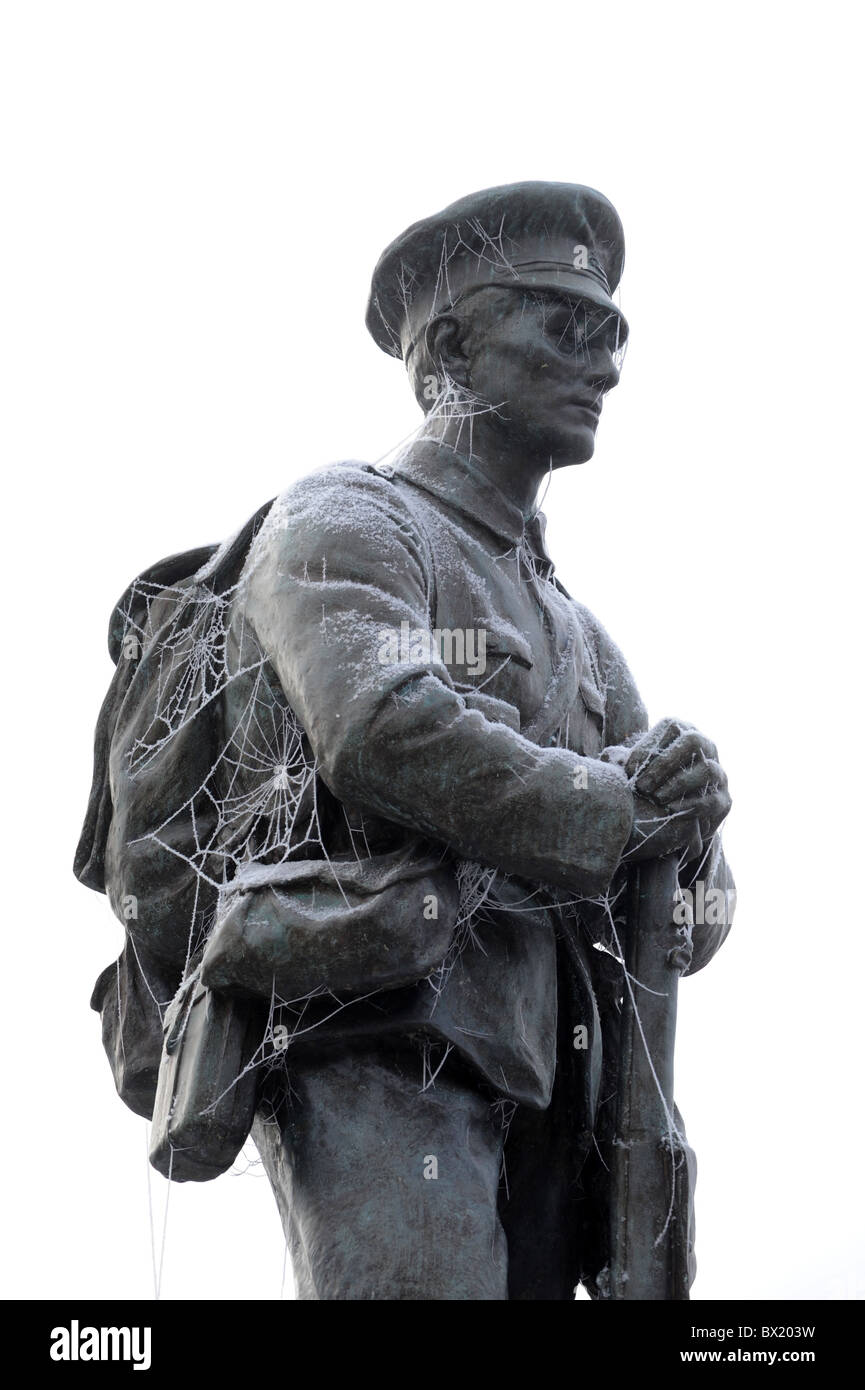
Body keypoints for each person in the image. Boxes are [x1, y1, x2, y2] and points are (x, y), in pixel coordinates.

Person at [77, 181, 734, 1300]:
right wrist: (620, 808)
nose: (607, 364)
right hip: (378, 1039)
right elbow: (376, 726)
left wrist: (695, 835)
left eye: (612, 333)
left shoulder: (580, 634)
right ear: (452, 349)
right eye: (568, 326)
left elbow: (696, 921)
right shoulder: (346, 517)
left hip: (553, 1098)